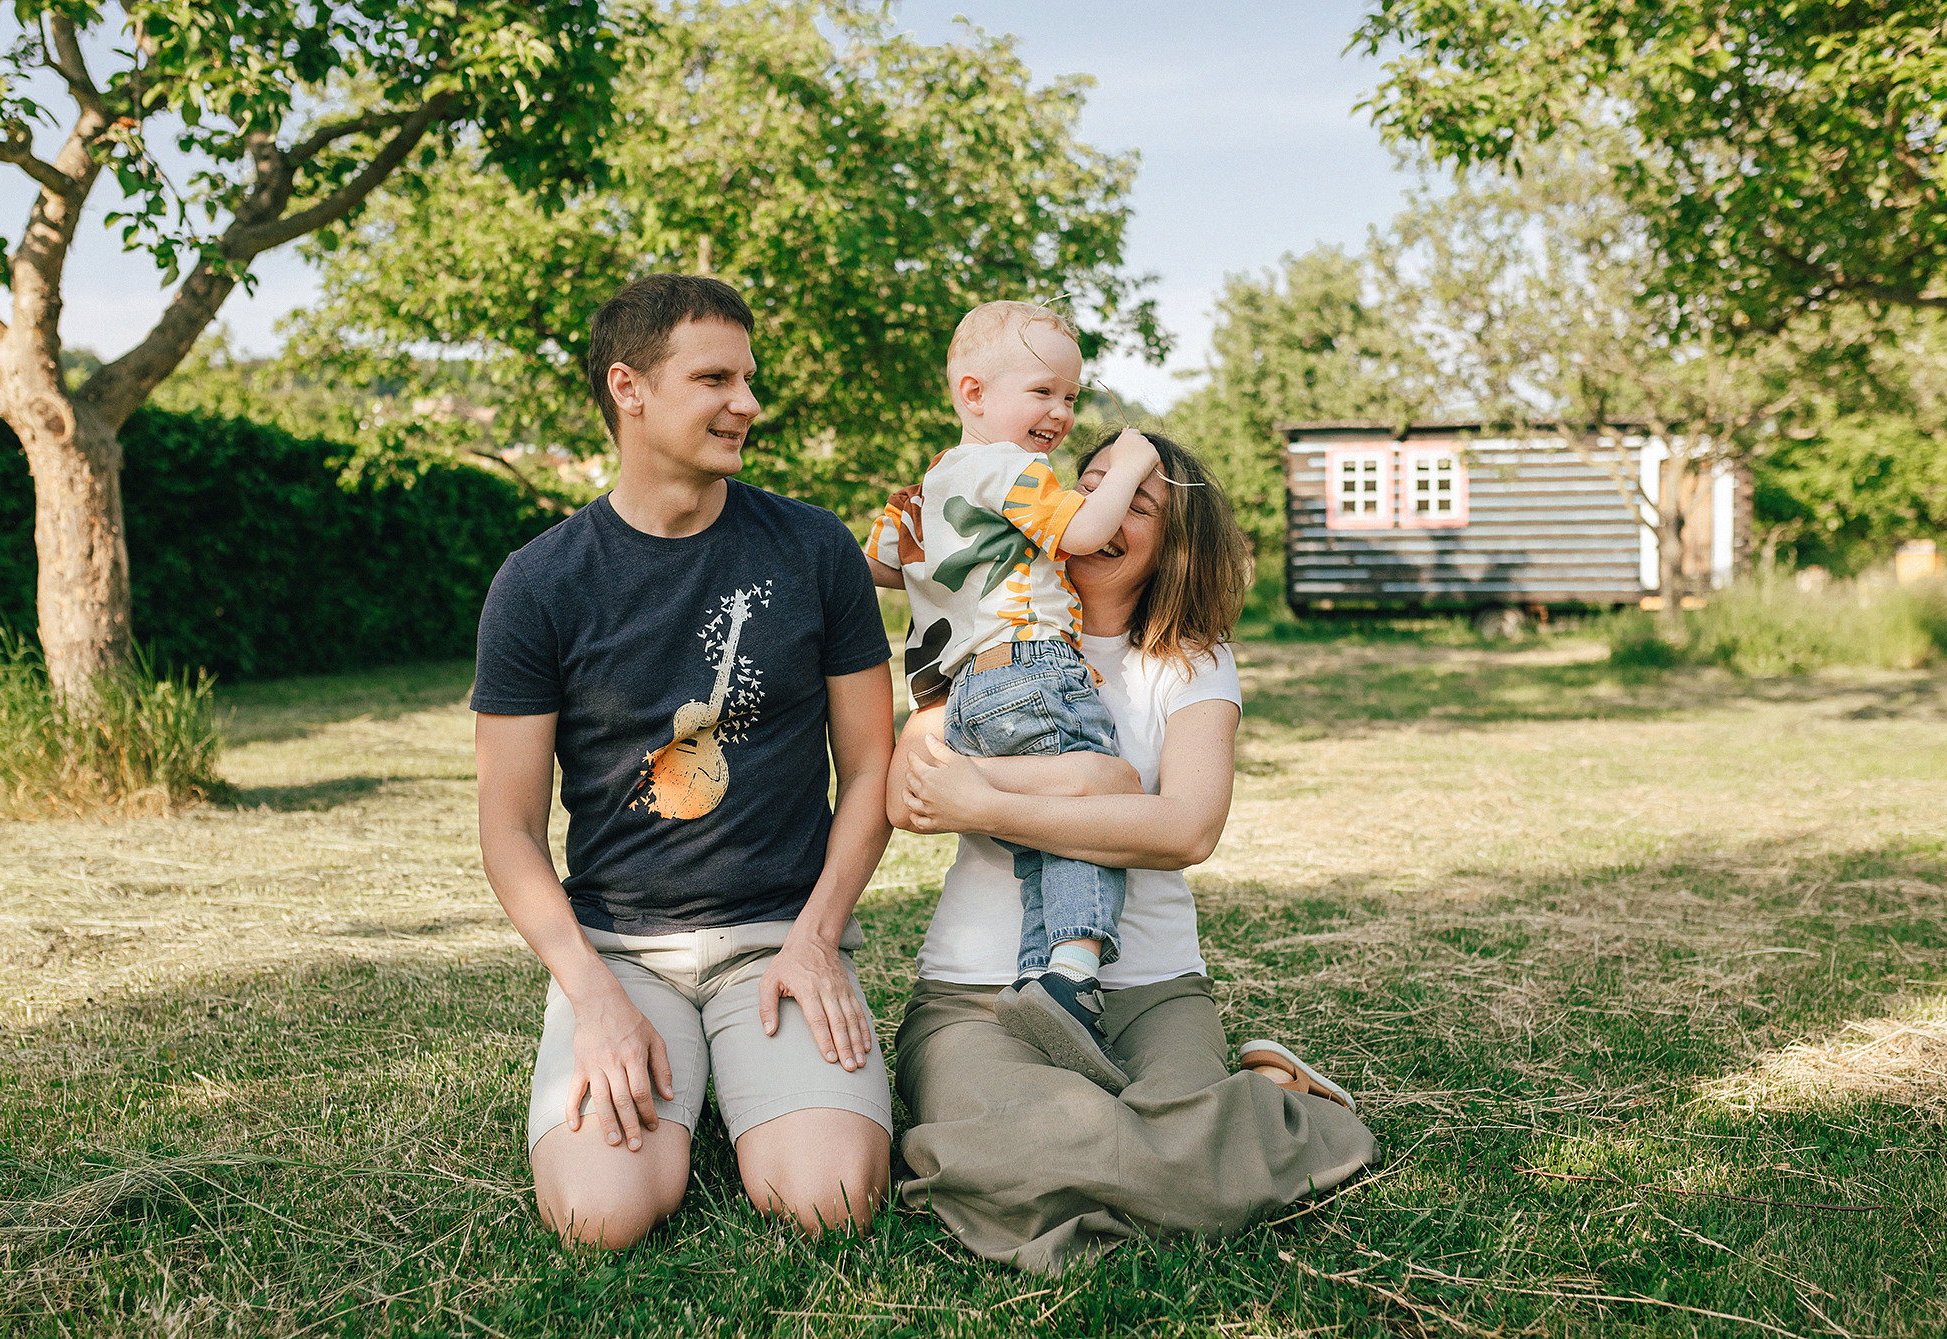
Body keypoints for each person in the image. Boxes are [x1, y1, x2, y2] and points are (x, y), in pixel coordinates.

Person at [884, 430, 1379, 1274]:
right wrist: (1103, 789)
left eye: (1135, 503)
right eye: (1090, 487)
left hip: (1148, 989)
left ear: (1175, 542)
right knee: (1064, 1138)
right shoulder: (983, 635)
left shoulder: (1190, 664)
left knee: (1032, 1154)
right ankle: (1217, 1142)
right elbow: (909, 795)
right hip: (976, 993)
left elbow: (1187, 829)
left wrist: (992, 799)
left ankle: (1090, 1168)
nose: (1101, 513)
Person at [473, 273, 896, 1248]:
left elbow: (871, 767)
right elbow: (506, 827)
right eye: (714, 378)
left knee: (827, 1200)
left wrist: (817, 937)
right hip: (621, 952)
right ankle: (684, 1081)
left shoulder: (814, 550)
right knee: (598, 1217)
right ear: (628, 387)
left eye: (747, 378)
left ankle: (750, 1083)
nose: (746, 403)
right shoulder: (539, 583)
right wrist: (593, 996)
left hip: (779, 938)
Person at [863, 300, 1160, 1093]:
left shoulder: (925, 489)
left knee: (1041, 832)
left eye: (1070, 396)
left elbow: (880, 566)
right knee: (1086, 824)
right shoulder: (1012, 471)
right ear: (973, 393)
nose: (1062, 413)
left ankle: (1049, 993)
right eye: (1043, 393)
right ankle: (1069, 974)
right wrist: (1130, 458)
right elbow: (1088, 530)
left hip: (964, 694)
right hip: (1033, 664)